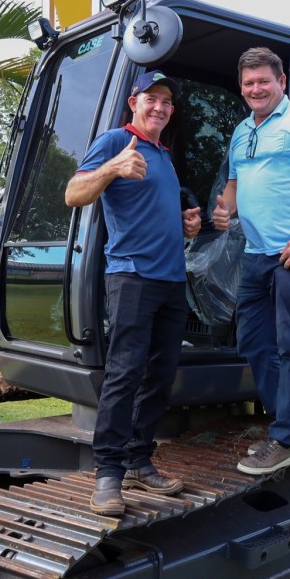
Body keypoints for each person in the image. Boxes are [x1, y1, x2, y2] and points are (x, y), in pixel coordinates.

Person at [64, 70, 202, 515]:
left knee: (160, 375)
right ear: (134, 103)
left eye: (166, 102)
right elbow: (73, 194)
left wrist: (186, 225)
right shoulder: (115, 142)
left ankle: (139, 461)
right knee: (125, 373)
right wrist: (112, 168)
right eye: (151, 99)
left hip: (171, 281)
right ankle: (108, 474)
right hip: (132, 278)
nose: (159, 107)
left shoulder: (163, 154)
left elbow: (153, 212)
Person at [211, 47, 290, 475]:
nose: (256, 89)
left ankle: (284, 439)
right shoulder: (241, 131)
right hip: (256, 254)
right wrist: (225, 209)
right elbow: (234, 185)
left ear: (281, 81)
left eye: (264, 80)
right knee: (252, 341)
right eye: (249, 83)